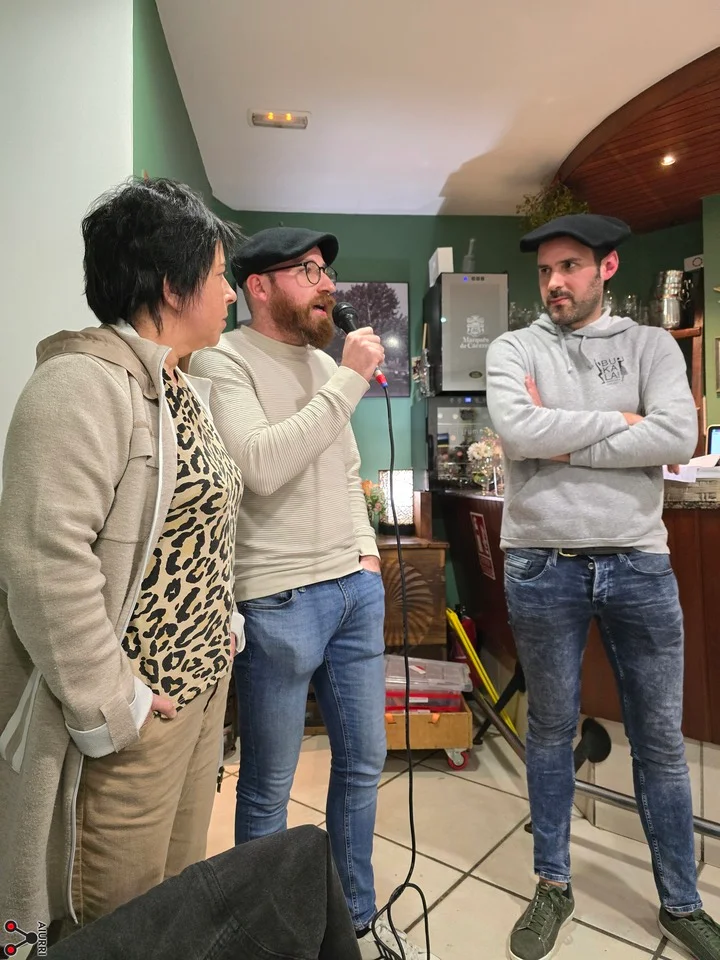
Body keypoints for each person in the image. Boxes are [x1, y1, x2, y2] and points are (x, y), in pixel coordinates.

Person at [0, 177, 245, 949]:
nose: (230, 293)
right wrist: (116, 705)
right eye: (219, 276)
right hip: (135, 725)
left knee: (178, 900)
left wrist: (222, 621)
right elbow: (44, 565)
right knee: (122, 925)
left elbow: (196, 526)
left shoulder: (181, 385)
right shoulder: (79, 386)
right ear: (172, 286)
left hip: (200, 696)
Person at [189, 227, 439, 960]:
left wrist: (366, 557)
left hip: (353, 589)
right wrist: (348, 381)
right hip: (278, 599)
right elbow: (260, 466)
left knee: (362, 764)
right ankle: (266, 940)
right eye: (307, 270)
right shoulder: (223, 360)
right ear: (259, 286)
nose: (327, 282)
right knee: (269, 787)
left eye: (326, 269)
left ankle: (353, 919)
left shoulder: (325, 365)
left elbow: (344, 468)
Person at [486, 213, 720, 960]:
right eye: (546, 271)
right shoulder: (513, 347)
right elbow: (519, 433)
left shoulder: (651, 345)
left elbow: (676, 435)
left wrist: (563, 434)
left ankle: (681, 903)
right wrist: (621, 421)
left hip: (638, 562)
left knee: (659, 742)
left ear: (606, 268)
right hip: (541, 562)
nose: (555, 282)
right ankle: (552, 885)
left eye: (570, 267)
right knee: (551, 730)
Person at [44, 826, 361, 960]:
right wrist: (116, 715)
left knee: (175, 887)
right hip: (132, 724)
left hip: (199, 709)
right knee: (126, 905)